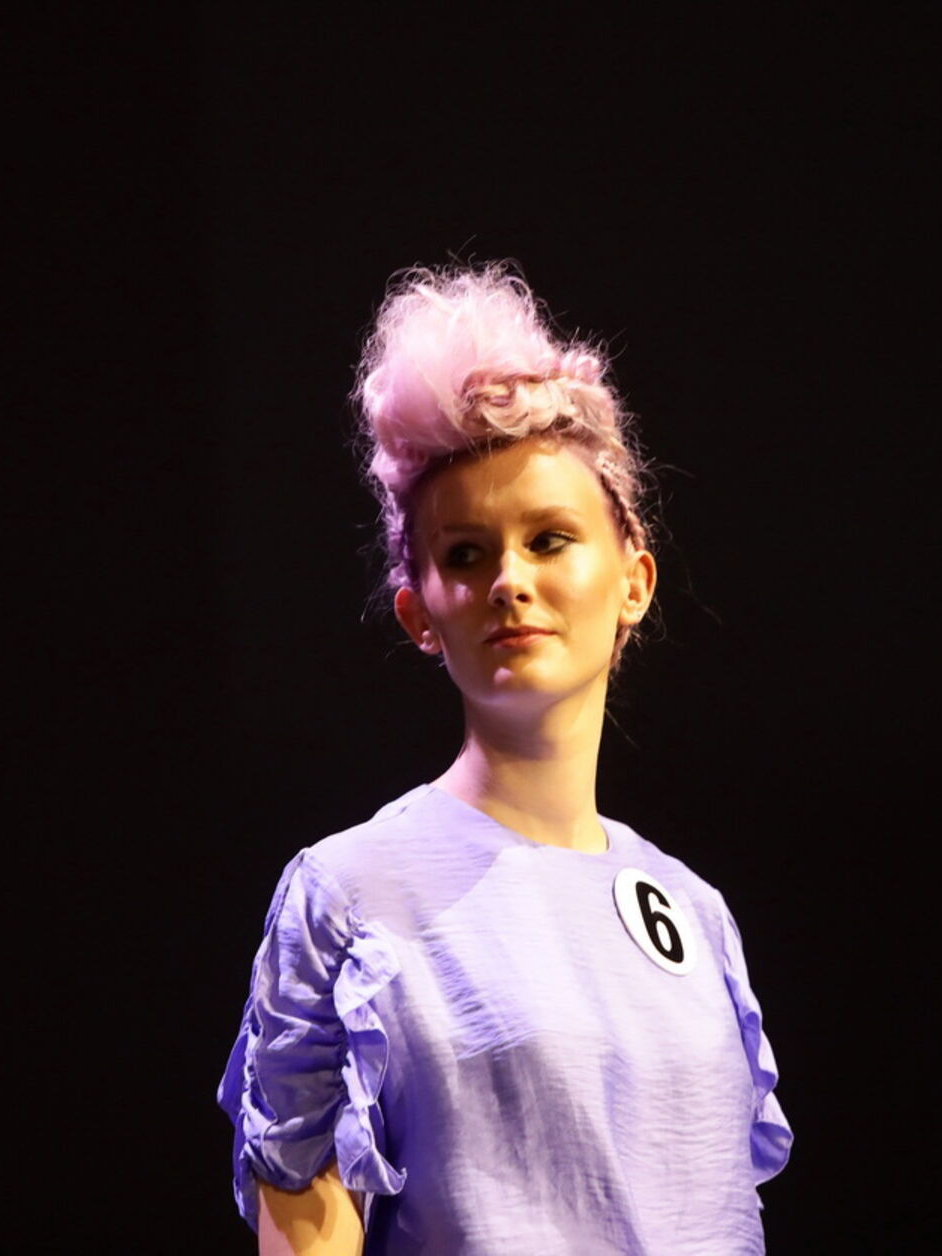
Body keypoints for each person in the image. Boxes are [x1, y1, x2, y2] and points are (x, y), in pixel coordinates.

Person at [216, 263, 792, 1254]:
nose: (509, 581)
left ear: (634, 580)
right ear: (419, 612)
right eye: (467, 554)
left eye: (551, 538)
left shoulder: (695, 914)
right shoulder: (351, 895)